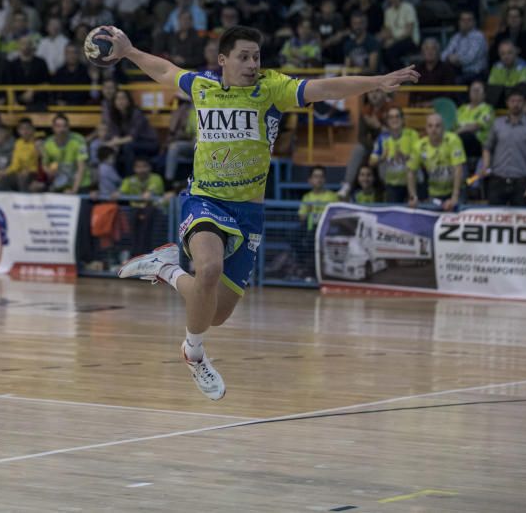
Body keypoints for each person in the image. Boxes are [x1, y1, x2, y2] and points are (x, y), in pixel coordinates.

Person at [109, 25, 418, 400]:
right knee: (209, 269)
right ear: (223, 60)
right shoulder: (202, 86)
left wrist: (377, 82)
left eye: (257, 56)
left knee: (215, 314)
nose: (253, 64)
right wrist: (128, 50)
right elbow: (163, 71)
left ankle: (166, 268)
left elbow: (325, 88)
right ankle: (195, 354)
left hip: (249, 212)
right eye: (244, 56)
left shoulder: (272, 88)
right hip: (204, 198)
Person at [479, 87, 526, 206]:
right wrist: (486, 165)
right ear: (507, 103)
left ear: (524, 103)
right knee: (493, 218)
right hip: (497, 179)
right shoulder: (497, 124)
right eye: (513, 101)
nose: (516, 104)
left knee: (522, 221)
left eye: (519, 101)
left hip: (522, 182)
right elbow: (487, 147)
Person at [407, 113, 465, 211]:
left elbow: (458, 169)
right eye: (430, 126)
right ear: (426, 128)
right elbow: (410, 172)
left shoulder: (453, 140)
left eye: (437, 126)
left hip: (456, 190)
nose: (434, 130)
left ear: (443, 128)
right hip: (434, 193)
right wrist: (413, 196)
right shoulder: (419, 146)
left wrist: (454, 197)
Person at [370, 107, 420, 204]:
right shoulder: (382, 138)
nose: (394, 120)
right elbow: (371, 162)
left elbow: (420, 158)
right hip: (392, 185)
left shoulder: (412, 135)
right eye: (391, 117)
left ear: (402, 119)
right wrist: (383, 157)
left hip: (413, 182)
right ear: (387, 121)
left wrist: (405, 157)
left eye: (397, 116)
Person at [117, 157, 165, 255]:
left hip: (152, 210)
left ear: (149, 168)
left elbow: (152, 191)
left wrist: (150, 193)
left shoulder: (156, 178)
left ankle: (145, 253)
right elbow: (121, 192)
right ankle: (134, 254)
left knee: (147, 232)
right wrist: (117, 194)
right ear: (134, 169)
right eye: (138, 167)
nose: (141, 169)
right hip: (135, 211)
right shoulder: (129, 180)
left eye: (144, 167)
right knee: (133, 232)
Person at [298, 166, 337, 273]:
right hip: (311, 230)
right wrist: (309, 210)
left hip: (327, 231)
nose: (318, 179)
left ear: (325, 179)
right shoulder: (307, 197)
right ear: (310, 180)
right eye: (315, 176)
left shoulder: (332, 196)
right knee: (294, 235)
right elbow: (302, 218)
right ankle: (304, 266)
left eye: (321, 177)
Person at [456, 80, 495, 158]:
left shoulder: (487, 109)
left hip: (479, 145)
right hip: (460, 142)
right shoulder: (461, 109)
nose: (475, 92)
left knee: (466, 136)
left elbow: (476, 126)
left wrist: (457, 132)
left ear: (484, 94)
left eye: (478, 90)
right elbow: (452, 125)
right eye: (473, 90)